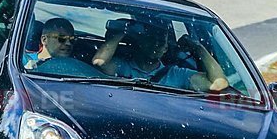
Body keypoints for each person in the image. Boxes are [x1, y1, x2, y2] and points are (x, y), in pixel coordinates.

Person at [92, 21, 228, 92]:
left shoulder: (177, 74)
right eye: (152, 38)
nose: (157, 44)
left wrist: (198, 47)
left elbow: (218, 84)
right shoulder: (123, 66)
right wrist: (121, 34)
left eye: (162, 41)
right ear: (140, 42)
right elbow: (99, 62)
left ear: (166, 47)